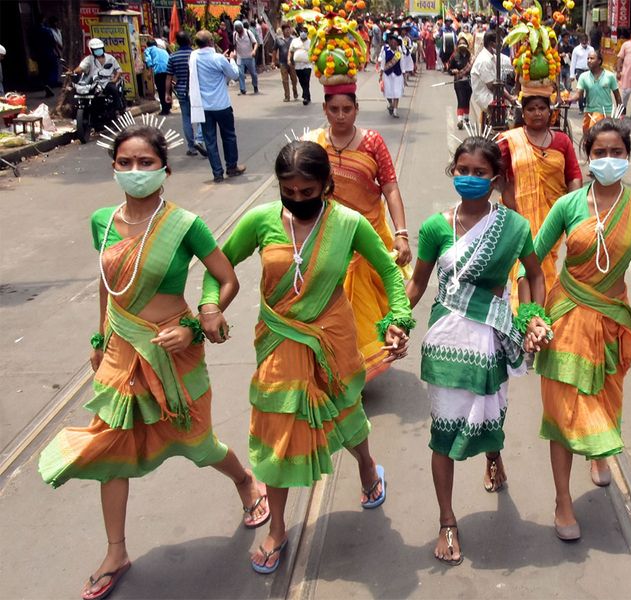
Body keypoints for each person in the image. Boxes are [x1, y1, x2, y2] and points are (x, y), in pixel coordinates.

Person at [38, 125, 269, 600]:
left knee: (198, 444)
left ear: (165, 169)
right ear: (114, 167)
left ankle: (245, 481)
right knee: (111, 448)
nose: (136, 171)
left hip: (173, 352)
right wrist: (100, 337)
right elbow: (109, 283)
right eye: (126, 162)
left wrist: (198, 321)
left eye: (146, 163)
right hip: (122, 352)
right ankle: (115, 551)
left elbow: (226, 280)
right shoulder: (102, 221)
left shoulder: (185, 225)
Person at [200, 141, 413, 574]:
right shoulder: (260, 221)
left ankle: (368, 467)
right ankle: (277, 528)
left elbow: (390, 271)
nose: (297, 200)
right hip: (279, 343)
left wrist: (399, 320)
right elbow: (218, 266)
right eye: (288, 191)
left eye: (307, 191)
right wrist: (209, 305)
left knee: (345, 414)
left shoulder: (349, 223)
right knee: (277, 432)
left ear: (326, 186)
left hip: (334, 340)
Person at [405, 136, 550, 566]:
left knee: (489, 412)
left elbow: (534, 275)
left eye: (479, 172)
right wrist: (397, 319)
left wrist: (534, 316)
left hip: (491, 337)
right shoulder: (435, 227)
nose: (469, 178)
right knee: (443, 430)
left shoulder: (515, 227)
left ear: (495, 178)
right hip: (445, 339)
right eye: (462, 171)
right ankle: (447, 520)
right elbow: (416, 283)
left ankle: (493, 456)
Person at [533, 120, 631, 541]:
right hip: (565, 316)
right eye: (601, 152)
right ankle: (562, 501)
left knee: (602, 401)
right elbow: (533, 260)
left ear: (628, 155)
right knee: (561, 411)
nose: (609, 159)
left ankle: (597, 453)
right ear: (588, 156)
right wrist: (529, 313)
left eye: (617, 152)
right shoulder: (568, 205)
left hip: (612, 322)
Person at [305, 84, 412, 379]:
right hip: (327, 240)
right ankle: (335, 368)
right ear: (325, 108)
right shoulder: (313, 143)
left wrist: (401, 233)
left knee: (362, 312)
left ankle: (356, 370)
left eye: (347, 109)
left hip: (368, 240)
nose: (340, 116)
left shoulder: (372, 142)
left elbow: (390, 188)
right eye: (334, 109)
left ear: (357, 109)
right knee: (329, 310)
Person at [498, 83, 583, 294]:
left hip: (555, 215)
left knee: (546, 262)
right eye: (531, 109)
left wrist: (572, 211)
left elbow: (574, 176)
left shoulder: (562, 141)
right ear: (523, 112)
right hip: (519, 217)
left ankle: (542, 313)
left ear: (550, 111)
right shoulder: (509, 140)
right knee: (523, 267)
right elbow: (499, 178)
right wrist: (513, 208)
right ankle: (525, 316)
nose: (537, 113)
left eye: (542, 108)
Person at [189, 30, 247, 183]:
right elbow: (235, 75)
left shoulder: (194, 57)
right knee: (228, 136)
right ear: (211, 42)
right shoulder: (218, 58)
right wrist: (233, 60)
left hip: (205, 107)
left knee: (210, 140)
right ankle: (232, 167)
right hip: (221, 105)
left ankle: (217, 172)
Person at [166, 31, 207, 157]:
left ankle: (192, 147)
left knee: (186, 118)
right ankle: (199, 140)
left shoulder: (173, 57)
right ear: (190, 41)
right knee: (201, 116)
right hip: (196, 91)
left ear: (177, 42)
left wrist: (167, 93)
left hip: (181, 91)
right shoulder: (195, 55)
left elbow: (169, 77)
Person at [569, 50, 621, 134]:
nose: (589, 60)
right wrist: (569, 99)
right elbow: (579, 94)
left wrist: (620, 114)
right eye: (588, 58)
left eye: (592, 58)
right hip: (589, 112)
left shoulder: (610, 76)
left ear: (599, 61)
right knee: (587, 139)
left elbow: (617, 96)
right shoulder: (583, 76)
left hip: (605, 113)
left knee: (596, 136)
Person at [470, 31, 513, 129]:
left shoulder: (492, 57)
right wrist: (510, 98)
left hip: (492, 93)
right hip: (486, 97)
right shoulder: (484, 60)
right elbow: (493, 86)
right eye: (499, 42)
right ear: (491, 43)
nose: (501, 44)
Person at [74, 38, 125, 113]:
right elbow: (81, 67)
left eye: (100, 48)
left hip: (107, 81)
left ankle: (118, 109)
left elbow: (119, 70)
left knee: (113, 90)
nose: (98, 50)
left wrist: (115, 79)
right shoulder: (88, 59)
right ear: (91, 50)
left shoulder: (110, 58)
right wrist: (74, 71)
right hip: (93, 82)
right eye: (96, 49)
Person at [449, 38, 473, 129]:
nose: (462, 45)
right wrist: (453, 71)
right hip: (459, 81)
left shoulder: (470, 56)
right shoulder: (454, 56)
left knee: (467, 99)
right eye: (460, 43)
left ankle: (466, 118)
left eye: (464, 43)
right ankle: (460, 120)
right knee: (461, 99)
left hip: (469, 81)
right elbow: (449, 69)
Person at [379, 34, 404, 118]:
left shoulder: (399, 53)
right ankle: (391, 104)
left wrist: (403, 73)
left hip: (397, 75)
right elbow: (382, 64)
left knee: (397, 93)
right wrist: (381, 74)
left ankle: (395, 111)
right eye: (391, 42)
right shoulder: (385, 51)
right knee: (388, 92)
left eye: (395, 42)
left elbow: (402, 63)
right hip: (387, 75)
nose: (393, 44)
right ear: (389, 43)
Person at [232, 19, 259, 94]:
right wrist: (235, 53)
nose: (238, 30)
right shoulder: (235, 34)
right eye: (236, 28)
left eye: (239, 28)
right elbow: (235, 46)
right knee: (240, 73)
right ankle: (242, 89)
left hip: (249, 56)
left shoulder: (248, 32)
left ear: (241, 27)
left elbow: (255, 43)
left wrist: (254, 51)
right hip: (240, 57)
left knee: (253, 73)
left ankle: (255, 86)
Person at [144, 40, 171, 115]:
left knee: (161, 90)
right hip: (168, 70)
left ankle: (164, 110)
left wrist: (149, 71)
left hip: (159, 70)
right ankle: (168, 107)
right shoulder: (163, 50)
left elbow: (148, 60)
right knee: (168, 89)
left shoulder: (148, 50)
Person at [274, 23, 299, 102]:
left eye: (289, 29)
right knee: (285, 80)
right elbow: (274, 51)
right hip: (282, 62)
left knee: (294, 79)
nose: (288, 31)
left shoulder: (294, 39)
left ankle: (295, 92)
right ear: (283, 31)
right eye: (286, 30)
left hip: (292, 62)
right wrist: (273, 61)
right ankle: (287, 96)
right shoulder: (278, 40)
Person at [570, 34, 593, 112]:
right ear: (580, 41)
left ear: (587, 40)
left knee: (589, 88)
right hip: (579, 71)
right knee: (581, 89)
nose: (584, 42)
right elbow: (573, 62)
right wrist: (572, 75)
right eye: (582, 40)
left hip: (589, 71)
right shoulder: (576, 50)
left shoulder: (591, 49)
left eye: (585, 40)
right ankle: (581, 107)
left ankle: (586, 103)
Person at [290, 27, 312, 105]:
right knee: (301, 81)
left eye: (305, 31)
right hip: (298, 65)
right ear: (299, 32)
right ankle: (307, 95)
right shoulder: (294, 41)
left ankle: (305, 97)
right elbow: (291, 51)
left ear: (307, 33)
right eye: (301, 31)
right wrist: (290, 60)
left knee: (306, 80)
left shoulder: (311, 42)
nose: (303, 33)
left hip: (307, 65)